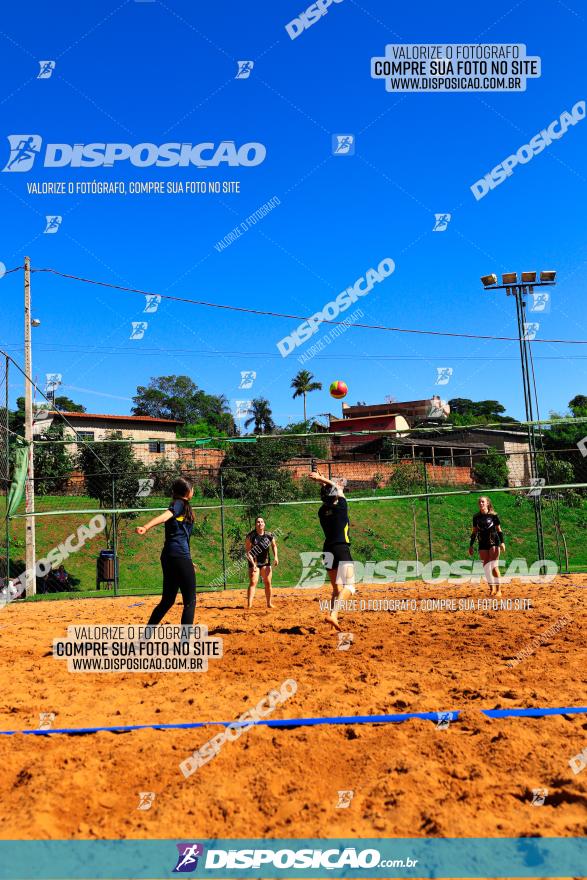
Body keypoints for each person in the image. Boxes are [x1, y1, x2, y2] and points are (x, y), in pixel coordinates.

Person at [136, 476, 196, 625]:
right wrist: (146, 526)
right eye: (192, 488)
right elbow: (165, 516)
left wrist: (189, 561)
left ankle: (145, 638)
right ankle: (184, 643)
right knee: (190, 602)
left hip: (170, 557)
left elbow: (182, 535)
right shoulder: (180, 504)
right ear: (188, 491)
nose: (193, 491)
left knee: (167, 600)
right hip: (179, 556)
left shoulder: (182, 506)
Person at [308, 471, 355, 631]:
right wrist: (321, 479)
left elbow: (330, 494)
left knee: (336, 589)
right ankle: (334, 615)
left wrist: (322, 484)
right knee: (350, 587)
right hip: (341, 547)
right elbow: (337, 488)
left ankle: (332, 620)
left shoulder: (321, 511)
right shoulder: (341, 507)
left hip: (327, 549)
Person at [468, 496, 506, 597]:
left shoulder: (493, 515)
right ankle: (492, 589)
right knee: (486, 567)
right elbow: (474, 532)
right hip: (482, 543)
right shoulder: (476, 517)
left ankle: (499, 590)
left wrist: (502, 542)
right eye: (479, 502)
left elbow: (499, 530)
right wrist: (471, 545)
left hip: (493, 542)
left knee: (494, 566)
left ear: (487, 503)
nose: (481, 503)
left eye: (483, 502)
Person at [245, 516, 278, 609]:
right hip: (254, 561)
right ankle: (249, 605)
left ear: (264, 524)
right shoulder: (250, 536)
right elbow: (248, 552)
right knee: (253, 582)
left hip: (265, 562)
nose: (260, 523)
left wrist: (276, 557)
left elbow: (274, 546)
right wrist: (253, 564)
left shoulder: (269, 535)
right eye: (258, 522)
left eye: (262, 522)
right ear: (255, 525)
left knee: (268, 582)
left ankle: (269, 603)